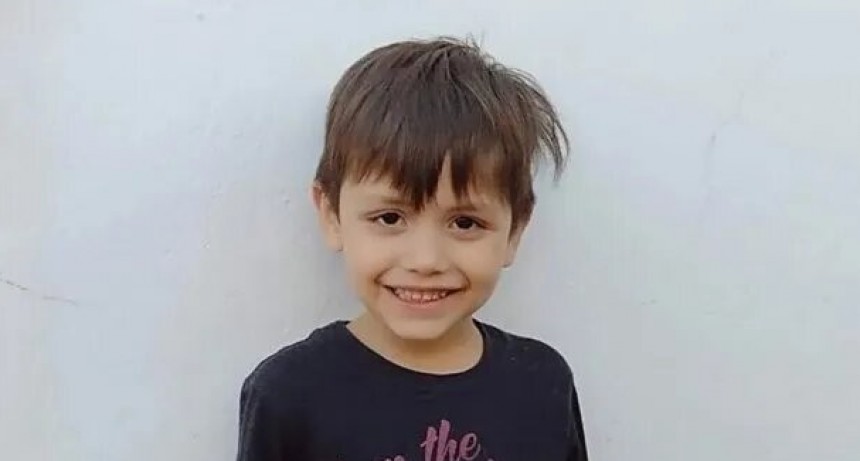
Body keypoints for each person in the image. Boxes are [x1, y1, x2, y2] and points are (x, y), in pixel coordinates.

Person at [236, 36, 588, 461]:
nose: (425, 261)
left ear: (515, 230)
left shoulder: (542, 385)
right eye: (389, 218)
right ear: (331, 215)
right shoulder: (288, 396)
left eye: (465, 223)